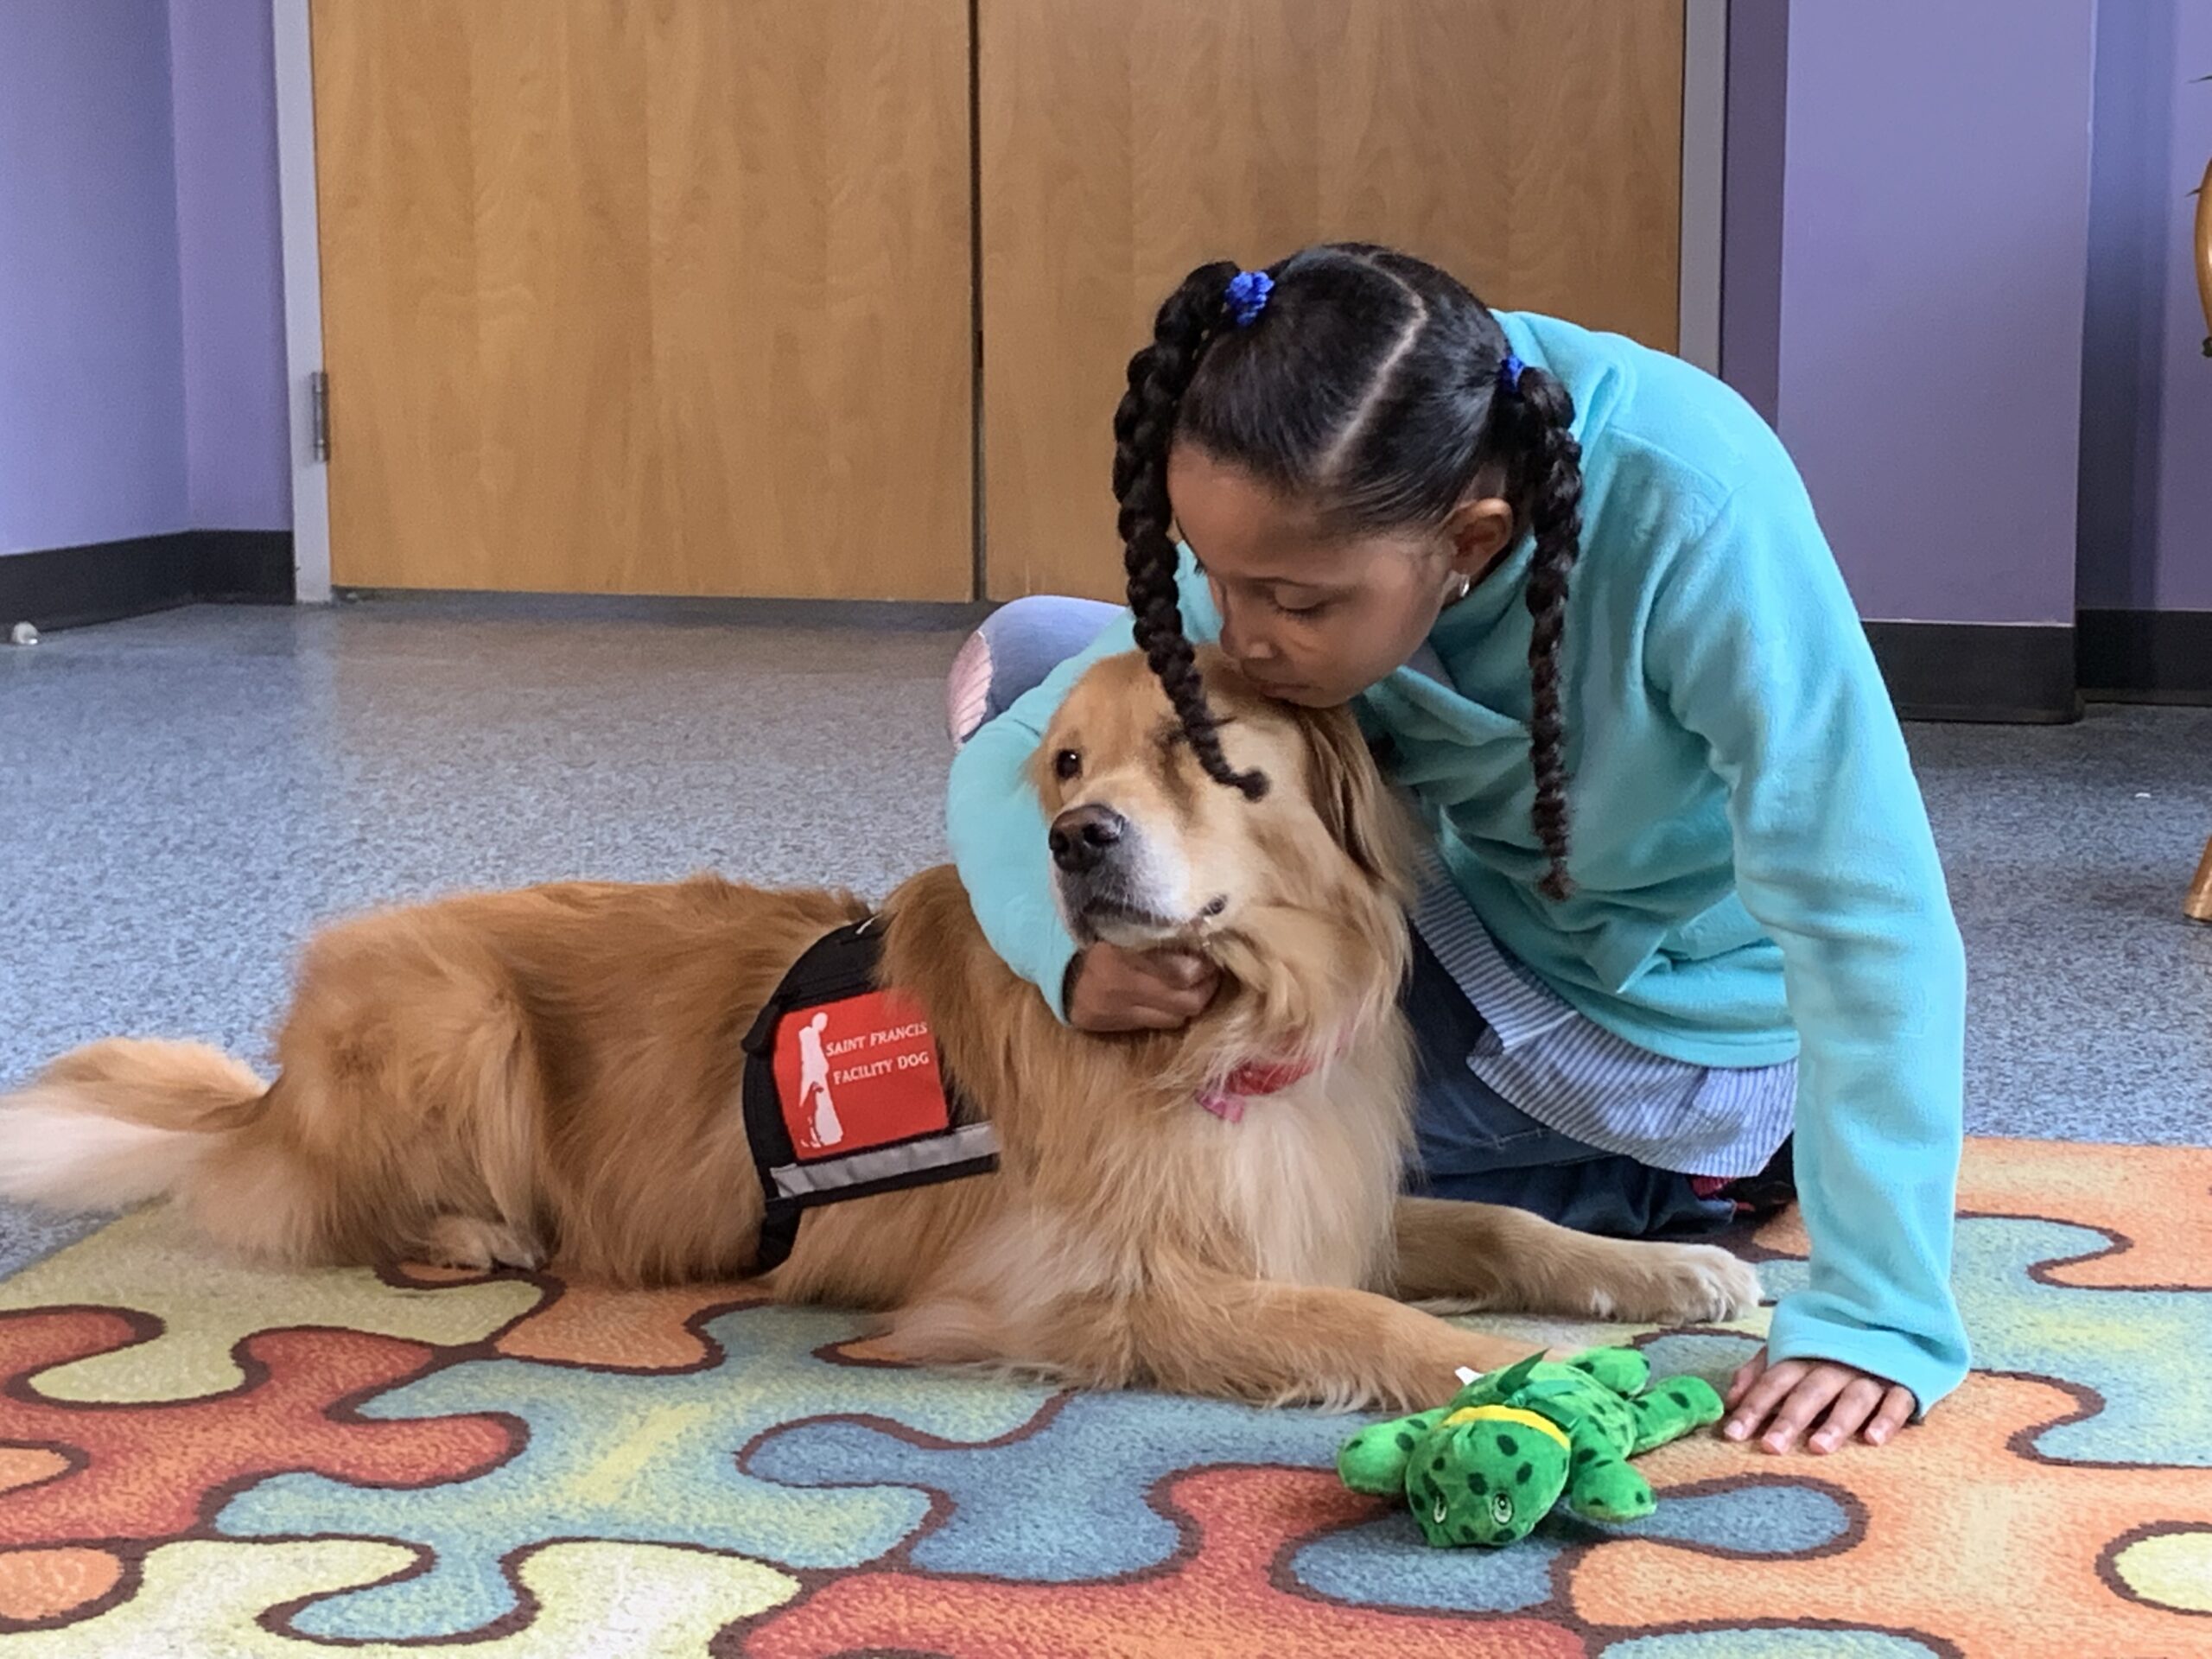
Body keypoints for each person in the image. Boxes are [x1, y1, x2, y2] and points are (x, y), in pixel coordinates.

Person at [944, 244, 1968, 1456]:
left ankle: (1681, 1169)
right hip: (1470, 909)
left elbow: (1868, 909)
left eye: (1298, 603)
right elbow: (1005, 747)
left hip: (1665, 1015)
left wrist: (1880, 1312)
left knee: (1202, 1174)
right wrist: (1062, 960)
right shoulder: (1337, 439)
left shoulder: (1697, 512)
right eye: (1218, 576)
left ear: (1472, 544)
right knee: (1041, 656)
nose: (1242, 631)